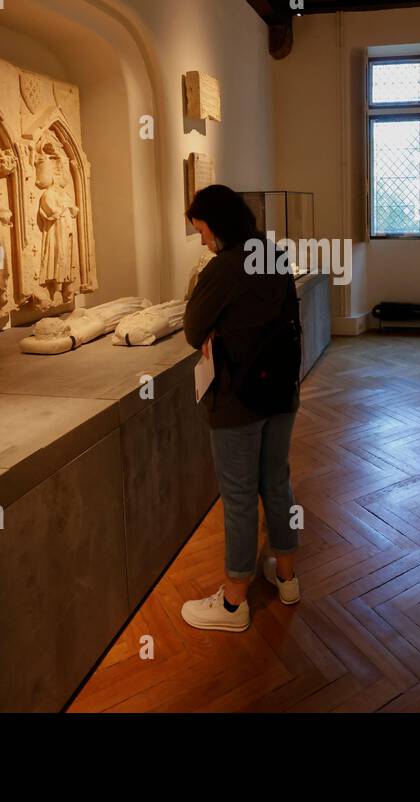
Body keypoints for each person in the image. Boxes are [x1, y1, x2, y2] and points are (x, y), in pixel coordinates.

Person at [180, 185, 302, 632]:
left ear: (217, 224)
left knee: (237, 496)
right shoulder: (273, 255)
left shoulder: (223, 268)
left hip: (237, 398)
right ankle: (287, 576)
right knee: (278, 483)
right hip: (281, 391)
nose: (201, 240)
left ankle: (233, 602)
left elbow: (194, 329)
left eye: (202, 230)